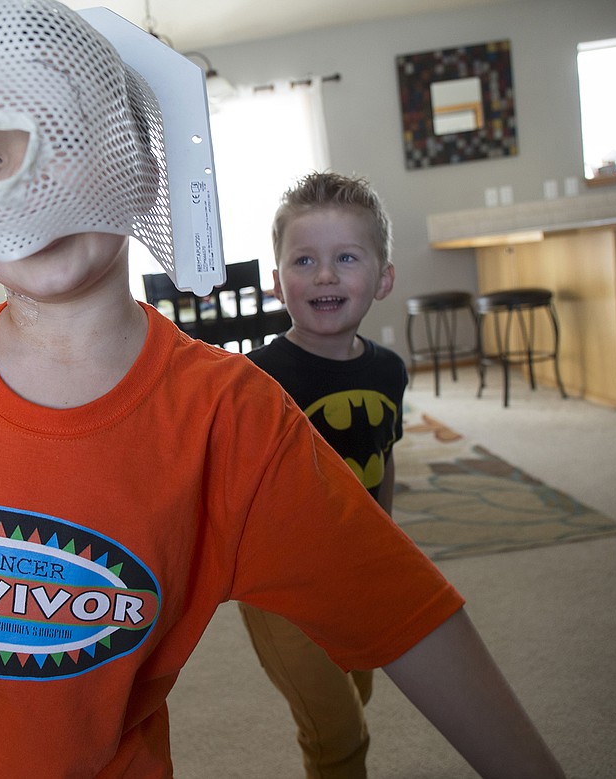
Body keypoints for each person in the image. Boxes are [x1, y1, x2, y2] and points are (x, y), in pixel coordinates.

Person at [0, 1, 565, 777]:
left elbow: (401, 611)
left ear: (139, 167)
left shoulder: (228, 418)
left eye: (63, 140)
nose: (27, 185)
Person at [238, 171, 404, 779]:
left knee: (356, 696)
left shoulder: (389, 371)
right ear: (279, 282)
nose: (325, 275)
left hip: (358, 568)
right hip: (282, 584)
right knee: (337, 736)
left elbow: (383, 454)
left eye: (346, 258)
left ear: (382, 278)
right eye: (304, 260)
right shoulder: (255, 382)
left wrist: (388, 541)